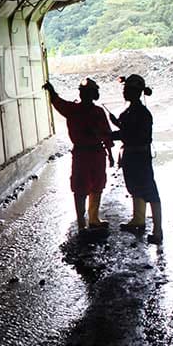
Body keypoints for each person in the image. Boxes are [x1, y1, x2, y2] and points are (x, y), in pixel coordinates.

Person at [43, 78, 115, 231]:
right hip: (86, 154)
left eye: (86, 92)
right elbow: (57, 102)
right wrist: (51, 91)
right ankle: (84, 222)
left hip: (91, 154)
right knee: (82, 187)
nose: (84, 94)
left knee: (94, 186)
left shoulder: (83, 110)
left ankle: (91, 220)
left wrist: (110, 154)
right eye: (83, 92)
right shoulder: (77, 109)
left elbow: (106, 134)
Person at [110, 74, 163, 244]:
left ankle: (157, 231)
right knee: (136, 188)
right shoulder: (136, 112)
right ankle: (138, 220)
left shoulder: (139, 113)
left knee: (149, 192)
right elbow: (129, 131)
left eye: (127, 89)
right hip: (135, 156)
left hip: (137, 156)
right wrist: (118, 126)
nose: (124, 92)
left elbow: (130, 134)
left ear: (136, 92)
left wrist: (111, 133)